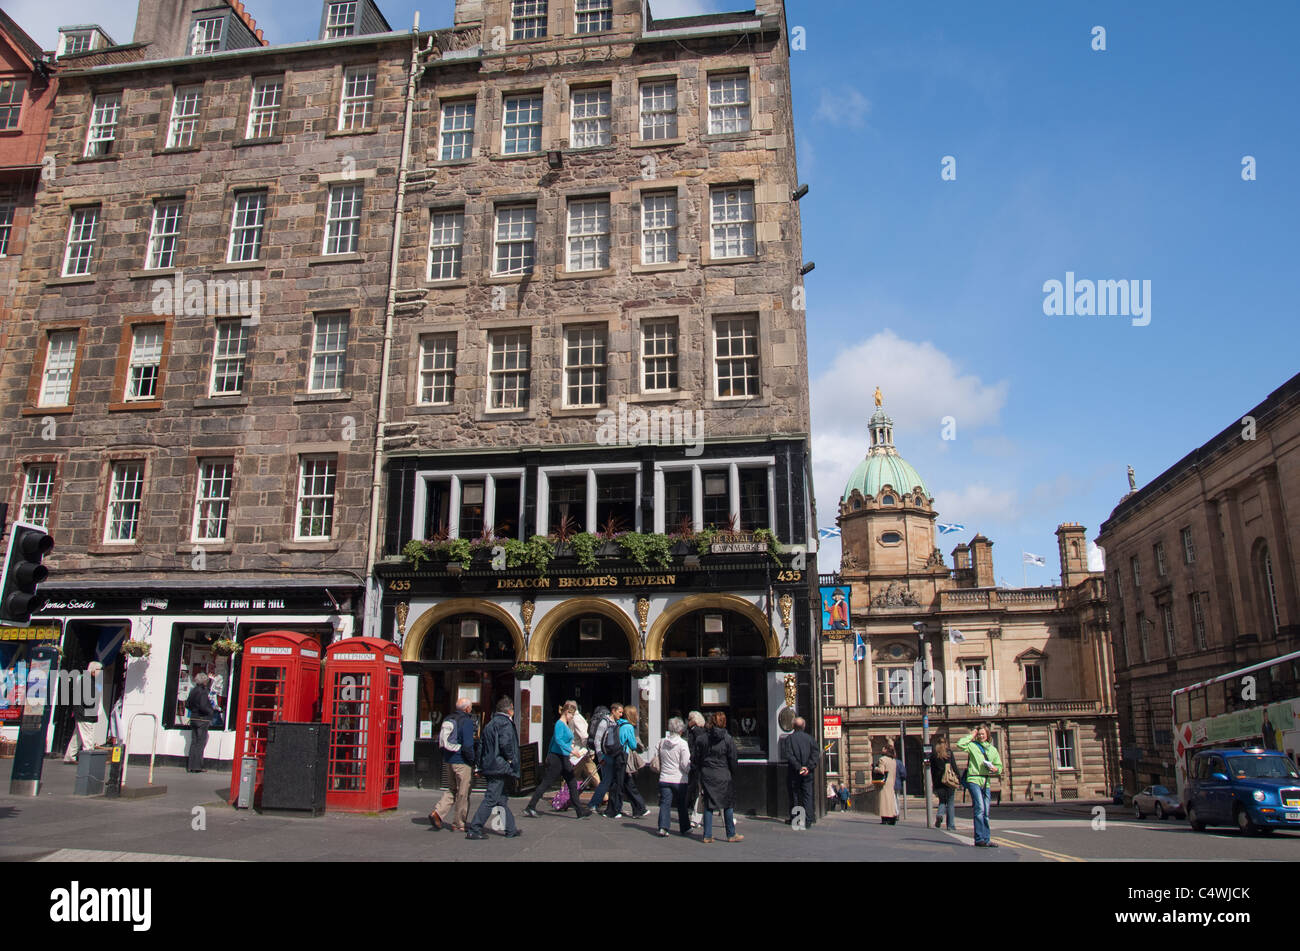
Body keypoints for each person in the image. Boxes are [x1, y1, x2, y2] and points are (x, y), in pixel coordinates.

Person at [523, 702, 592, 819]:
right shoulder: (559, 724)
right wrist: (571, 751)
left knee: (572, 783)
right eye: (571, 715)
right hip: (557, 758)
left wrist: (570, 745)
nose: (572, 717)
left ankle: (579, 811)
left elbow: (554, 740)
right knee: (547, 782)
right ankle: (530, 806)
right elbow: (558, 740)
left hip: (563, 757)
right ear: (566, 712)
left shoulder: (564, 724)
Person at [466, 697, 522, 840]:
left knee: (501, 799)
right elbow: (505, 744)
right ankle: (475, 828)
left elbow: (481, 746)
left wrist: (478, 766)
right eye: (513, 709)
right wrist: (510, 759)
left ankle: (510, 829)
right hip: (500, 767)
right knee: (491, 799)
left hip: (490, 765)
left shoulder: (489, 724)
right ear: (509, 710)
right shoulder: (505, 724)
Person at [429, 697, 477, 831]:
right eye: (471, 707)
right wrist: (473, 760)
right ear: (467, 708)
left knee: (451, 789)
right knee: (463, 792)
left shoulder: (448, 718)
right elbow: (467, 745)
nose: (471, 709)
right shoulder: (466, 721)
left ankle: (437, 813)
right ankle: (459, 823)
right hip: (462, 761)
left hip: (449, 759)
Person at [694, 712, 742, 843]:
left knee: (708, 805)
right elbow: (733, 758)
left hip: (708, 774)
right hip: (723, 774)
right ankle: (731, 834)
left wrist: (701, 770)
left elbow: (696, 758)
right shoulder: (728, 739)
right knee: (727, 804)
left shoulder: (702, 739)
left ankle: (707, 835)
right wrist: (732, 772)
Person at [957, 722, 1003, 848]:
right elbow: (960, 744)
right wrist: (971, 735)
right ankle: (979, 839)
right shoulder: (972, 746)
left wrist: (995, 769)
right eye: (979, 734)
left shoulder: (992, 750)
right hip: (973, 779)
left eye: (983, 734)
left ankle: (986, 839)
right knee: (980, 808)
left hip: (985, 781)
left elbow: (999, 766)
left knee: (986, 812)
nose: (981, 736)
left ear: (988, 735)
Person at [655, 716, 692, 836]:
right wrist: (687, 771)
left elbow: (658, 756)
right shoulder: (683, 744)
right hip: (679, 779)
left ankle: (663, 827)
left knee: (665, 803)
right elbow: (685, 763)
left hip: (664, 777)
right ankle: (685, 827)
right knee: (681, 804)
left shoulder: (662, 742)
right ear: (681, 730)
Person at [612, 705, 649, 819]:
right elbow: (632, 744)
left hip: (617, 756)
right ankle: (639, 807)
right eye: (636, 714)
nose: (638, 716)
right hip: (625, 757)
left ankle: (637, 808)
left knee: (625, 783)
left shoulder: (619, 724)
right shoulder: (628, 727)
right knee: (627, 782)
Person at [63, 661, 102, 764]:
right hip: (85, 713)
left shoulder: (89, 680)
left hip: (84, 713)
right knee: (87, 737)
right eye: (99, 670)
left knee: (78, 736)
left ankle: (69, 756)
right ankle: (87, 759)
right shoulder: (87, 681)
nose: (100, 672)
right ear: (93, 671)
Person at [785, 716, 820, 827]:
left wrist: (799, 767)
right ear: (804, 726)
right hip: (807, 772)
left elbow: (789, 755)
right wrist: (808, 767)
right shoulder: (810, 739)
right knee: (807, 796)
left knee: (795, 795)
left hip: (794, 772)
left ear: (793, 726)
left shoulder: (789, 739)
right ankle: (808, 820)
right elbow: (815, 754)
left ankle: (795, 818)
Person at [588, 702, 621, 815]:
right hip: (605, 756)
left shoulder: (614, 722)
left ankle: (606, 804)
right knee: (606, 781)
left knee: (608, 781)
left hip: (612, 755)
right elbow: (597, 740)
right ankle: (593, 804)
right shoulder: (604, 722)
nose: (621, 714)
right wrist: (600, 756)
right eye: (619, 712)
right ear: (613, 711)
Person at [185, 671, 214, 772]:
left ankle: (190, 766)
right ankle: (197, 766)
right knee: (200, 743)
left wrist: (194, 710)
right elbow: (203, 706)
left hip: (193, 718)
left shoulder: (193, 690)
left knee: (194, 742)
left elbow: (187, 704)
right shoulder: (203, 691)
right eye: (206, 681)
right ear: (204, 681)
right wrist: (211, 711)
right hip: (202, 719)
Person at [930, 734, 958, 831]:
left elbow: (932, 771)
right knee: (950, 802)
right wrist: (958, 778)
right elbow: (954, 766)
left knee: (942, 801)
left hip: (939, 782)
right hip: (949, 781)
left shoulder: (934, 755)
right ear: (946, 743)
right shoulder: (949, 753)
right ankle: (951, 825)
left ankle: (939, 815)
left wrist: (934, 783)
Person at [686, 711, 708, 827]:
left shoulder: (696, 731)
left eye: (689, 719)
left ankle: (695, 818)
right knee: (702, 792)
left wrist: (693, 760)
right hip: (701, 765)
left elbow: (695, 749)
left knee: (700, 791)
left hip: (698, 765)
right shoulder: (697, 731)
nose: (687, 721)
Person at [875, 740, 898, 825]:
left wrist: (875, 769)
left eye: (883, 749)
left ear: (886, 750)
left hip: (884, 782)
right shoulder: (893, 760)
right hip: (891, 781)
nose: (882, 750)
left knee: (884, 801)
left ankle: (884, 818)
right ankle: (892, 816)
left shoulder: (882, 759)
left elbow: (881, 770)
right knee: (891, 800)